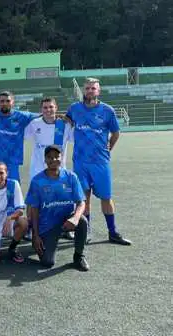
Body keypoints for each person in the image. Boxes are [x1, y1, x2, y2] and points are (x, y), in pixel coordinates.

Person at [66, 78, 131, 245]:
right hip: (80, 162)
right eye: (87, 88)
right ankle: (86, 232)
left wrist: (108, 149)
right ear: (83, 90)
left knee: (106, 197)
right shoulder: (74, 109)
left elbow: (115, 133)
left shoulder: (107, 110)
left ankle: (113, 232)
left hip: (100, 162)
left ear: (98, 91)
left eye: (93, 88)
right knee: (84, 199)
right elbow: (66, 122)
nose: (90, 91)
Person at [25, 145, 90, 271]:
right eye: (49, 157)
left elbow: (81, 202)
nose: (53, 160)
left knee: (82, 221)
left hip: (66, 222)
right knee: (47, 262)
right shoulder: (37, 181)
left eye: (56, 156)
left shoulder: (71, 177)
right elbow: (34, 210)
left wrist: (75, 218)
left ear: (62, 158)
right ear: (45, 159)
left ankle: (78, 257)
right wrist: (35, 235)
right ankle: (48, 242)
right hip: (47, 226)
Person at [24, 97, 74, 240]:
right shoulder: (34, 124)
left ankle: (66, 228)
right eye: (45, 108)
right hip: (38, 169)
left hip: (60, 170)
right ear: (41, 110)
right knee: (34, 201)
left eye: (51, 107)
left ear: (56, 108)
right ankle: (30, 227)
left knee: (64, 198)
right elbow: (23, 136)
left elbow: (75, 138)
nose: (48, 110)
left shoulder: (64, 125)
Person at [0, 91, 39, 182]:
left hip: (12, 162)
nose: (5, 103)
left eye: (8, 101)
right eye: (2, 101)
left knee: (12, 192)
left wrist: (59, 116)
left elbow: (45, 115)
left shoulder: (22, 116)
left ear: (12, 102)